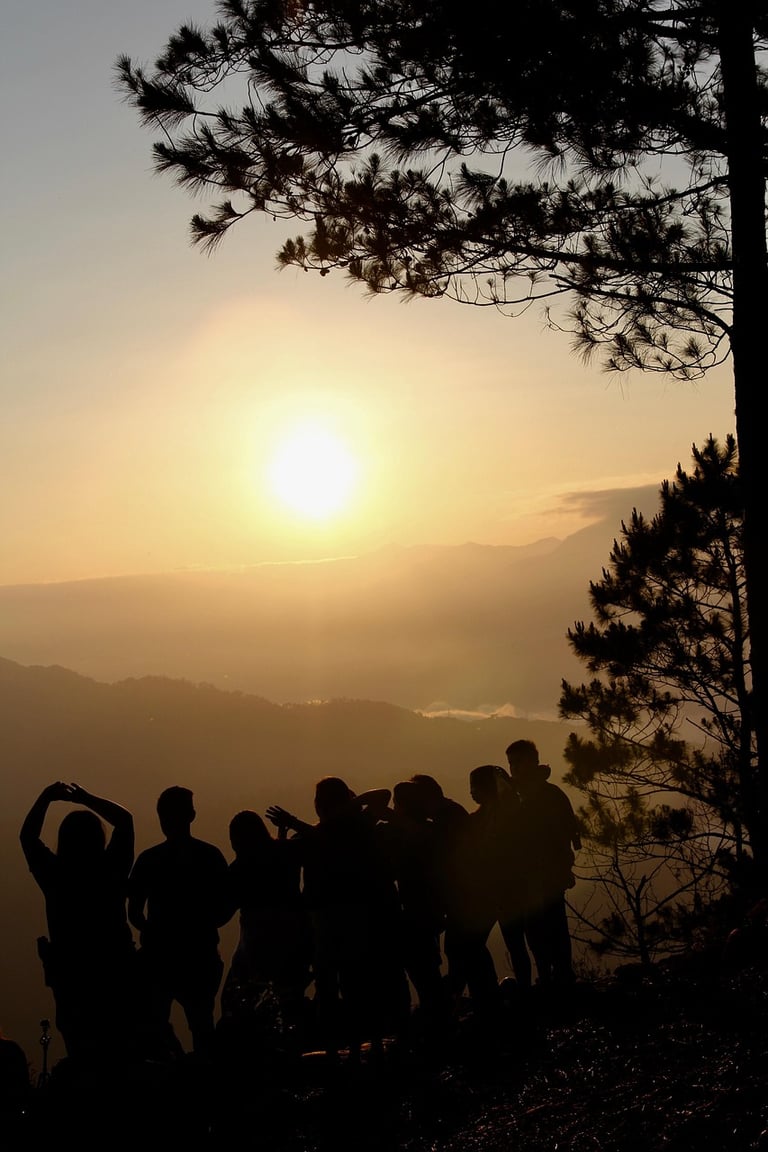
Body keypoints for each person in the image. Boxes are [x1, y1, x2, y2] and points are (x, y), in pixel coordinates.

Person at [267, 779, 409, 1060]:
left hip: (338, 920)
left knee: (343, 985)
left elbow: (380, 796)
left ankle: (347, 1047)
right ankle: (368, 1043)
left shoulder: (347, 829)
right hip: (346, 918)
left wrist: (295, 825)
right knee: (353, 983)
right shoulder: (349, 828)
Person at [19, 782, 139, 1062]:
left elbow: (27, 836)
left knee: (81, 1048)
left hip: (72, 976)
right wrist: (86, 799)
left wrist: (45, 797)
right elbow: (125, 821)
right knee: (120, 1046)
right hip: (116, 969)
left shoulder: (56, 876)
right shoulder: (111, 869)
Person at [128, 786, 232, 1060]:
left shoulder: (149, 859)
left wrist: (155, 932)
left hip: (159, 958)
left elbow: (134, 912)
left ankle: (173, 1069)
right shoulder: (210, 856)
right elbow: (225, 907)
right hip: (199, 954)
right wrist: (201, 923)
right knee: (201, 1026)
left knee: (154, 1024)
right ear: (193, 815)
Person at [218, 809, 311, 1057]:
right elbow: (316, 840)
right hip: (295, 935)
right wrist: (291, 824)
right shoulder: (286, 852)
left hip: (256, 941)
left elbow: (222, 913)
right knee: (290, 997)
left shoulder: (239, 868)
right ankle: (296, 1049)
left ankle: (253, 1054)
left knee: (238, 999)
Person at [505, 741, 581, 987]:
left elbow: (561, 837)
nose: (514, 767)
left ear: (534, 761)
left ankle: (560, 976)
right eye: (512, 762)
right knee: (535, 930)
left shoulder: (548, 795)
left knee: (553, 927)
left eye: (519, 761)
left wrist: (561, 868)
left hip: (547, 873)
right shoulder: (517, 796)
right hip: (526, 875)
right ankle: (549, 977)